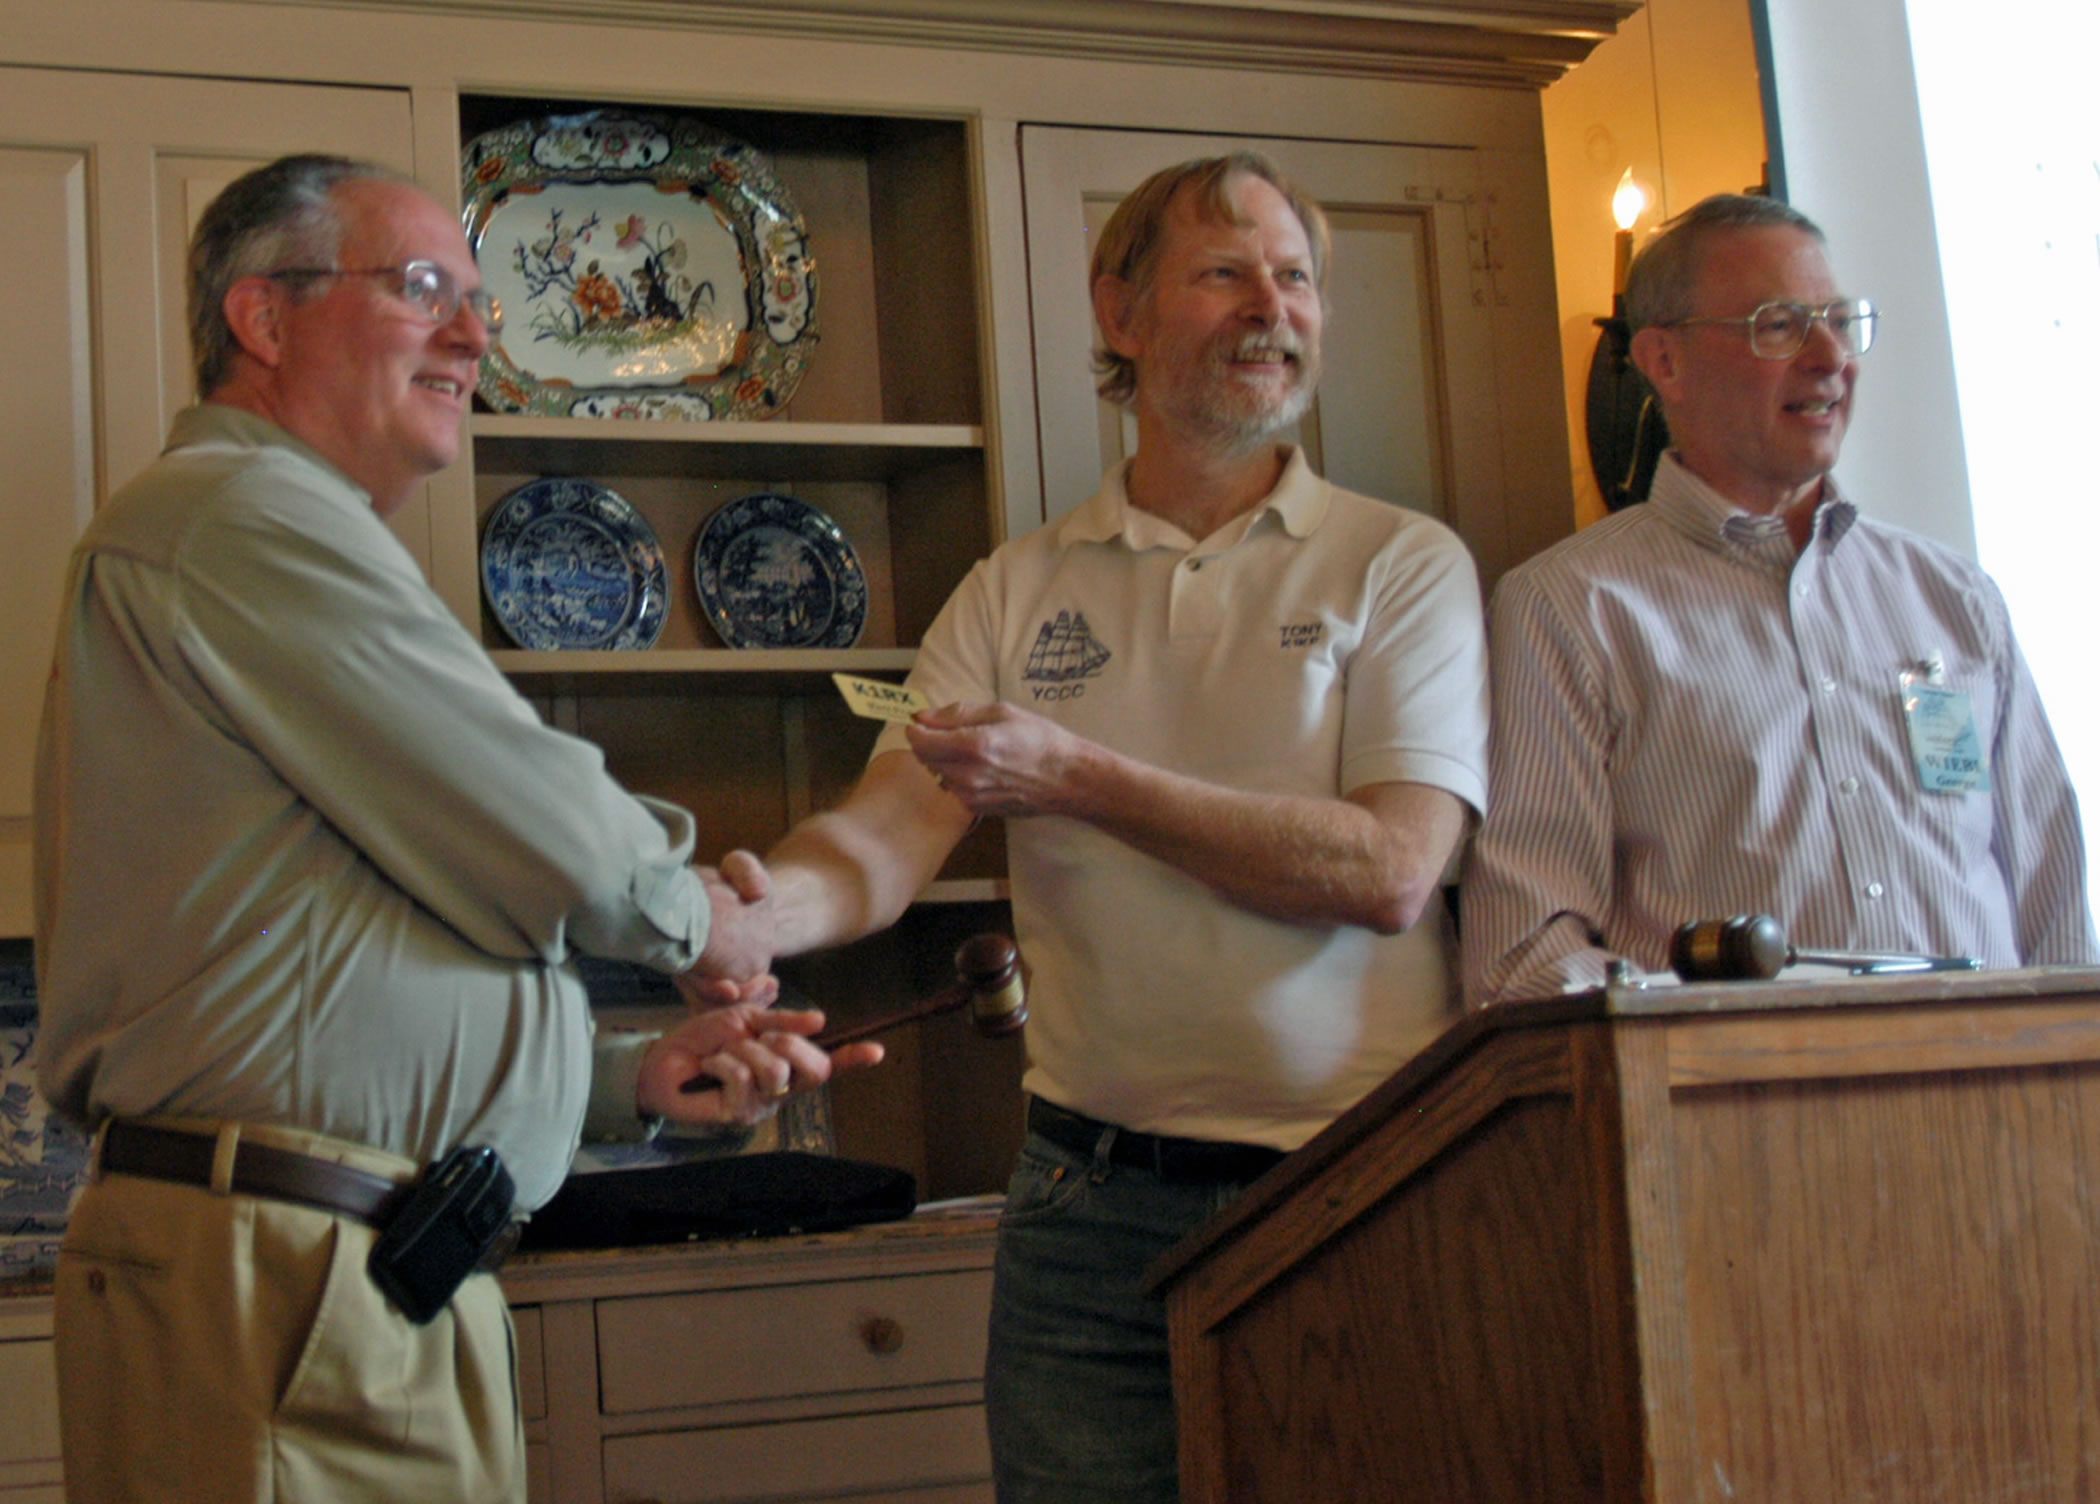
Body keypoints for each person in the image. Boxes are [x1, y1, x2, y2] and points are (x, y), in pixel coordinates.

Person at [31, 154, 877, 1503]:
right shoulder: (241, 512)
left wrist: (617, 1083)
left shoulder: (261, 530)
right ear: (264, 317)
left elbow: (335, 945)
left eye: (481, 299)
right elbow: (546, 822)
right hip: (289, 1289)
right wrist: (705, 920)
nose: (478, 336)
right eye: (425, 287)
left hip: (342, 1272)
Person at [742, 152, 1489, 1501]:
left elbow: (1390, 870)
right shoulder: (1015, 587)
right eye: (1226, 273)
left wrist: (1080, 776)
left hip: (1354, 1181)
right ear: (1119, 312)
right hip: (1083, 1210)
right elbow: (884, 839)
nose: (1273, 307)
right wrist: (752, 913)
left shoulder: (1401, 562)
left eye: (1296, 277)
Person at [1462, 193, 2097, 1004]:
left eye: (1839, 320)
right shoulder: (1570, 608)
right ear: (1664, 361)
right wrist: (1710, 1035)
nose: (1831, 356)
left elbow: (2056, 913)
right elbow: (1525, 953)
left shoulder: (1956, 598)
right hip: (1728, 1084)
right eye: (1780, 326)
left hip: (1987, 1078)